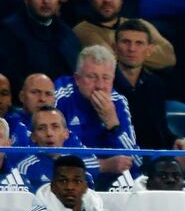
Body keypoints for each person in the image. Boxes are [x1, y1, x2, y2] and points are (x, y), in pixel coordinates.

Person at [54, 45, 142, 188]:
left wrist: (113, 124)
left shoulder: (118, 102)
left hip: (111, 184)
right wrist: (103, 165)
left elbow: (135, 160)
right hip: (69, 182)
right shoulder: (61, 95)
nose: (99, 86)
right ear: (77, 78)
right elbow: (52, 153)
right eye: (92, 77)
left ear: (113, 79)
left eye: (106, 78)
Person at [72, 0, 176, 72]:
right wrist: (143, 49)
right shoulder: (82, 31)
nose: (107, 0)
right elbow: (109, 60)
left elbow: (168, 57)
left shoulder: (141, 24)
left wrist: (122, 53)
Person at [113, 19, 185, 151]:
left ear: (149, 50)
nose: (132, 49)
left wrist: (176, 140)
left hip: (153, 161)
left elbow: (160, 131)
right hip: (117, 158)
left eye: (139, 43)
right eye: (126, 42)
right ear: (115, 47)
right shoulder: (105, 83)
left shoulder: (155, 84)